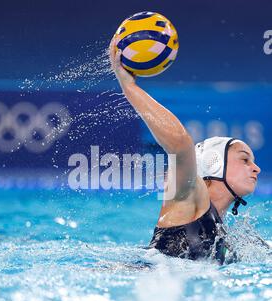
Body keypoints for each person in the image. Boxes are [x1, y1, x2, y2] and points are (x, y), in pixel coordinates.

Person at [109, 41, 261, 264]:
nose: (256, 168)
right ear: (214, 162)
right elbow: (181, 144)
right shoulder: (189, 194)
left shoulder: (224, 233)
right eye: (244, 159)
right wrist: (129, 86)